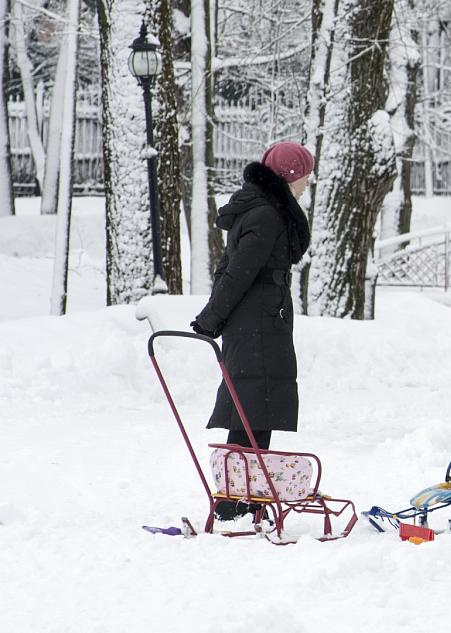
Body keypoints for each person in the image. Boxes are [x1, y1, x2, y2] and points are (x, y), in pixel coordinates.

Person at [190, 141, 313, 521]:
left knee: (254, 411)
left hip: (260, 322)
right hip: (257, 325)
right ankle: (235, 502)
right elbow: (238, 272)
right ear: (289, 177)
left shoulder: (265, 211)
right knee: (252, 412)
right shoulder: (266, 216)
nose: (307, 184)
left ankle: (246, 500)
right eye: (304, 177)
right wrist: (211, 318)